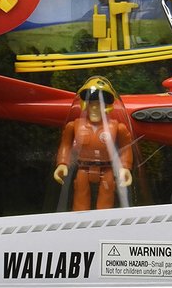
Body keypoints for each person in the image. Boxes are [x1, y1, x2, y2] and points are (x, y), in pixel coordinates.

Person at [54, 77, 133, 211]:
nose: (95, 107)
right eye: (91, 104)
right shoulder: (74, 126)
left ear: (106, 106)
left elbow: (126, 148)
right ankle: (80, 220)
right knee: (80, 197)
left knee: (107, 197)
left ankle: (104, 221)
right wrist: (62, 163)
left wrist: (125, 167)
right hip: (83, 168)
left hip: (107, 168)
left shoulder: (118, 128)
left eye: (99, 104)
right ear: (85, 105)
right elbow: (65, 146)